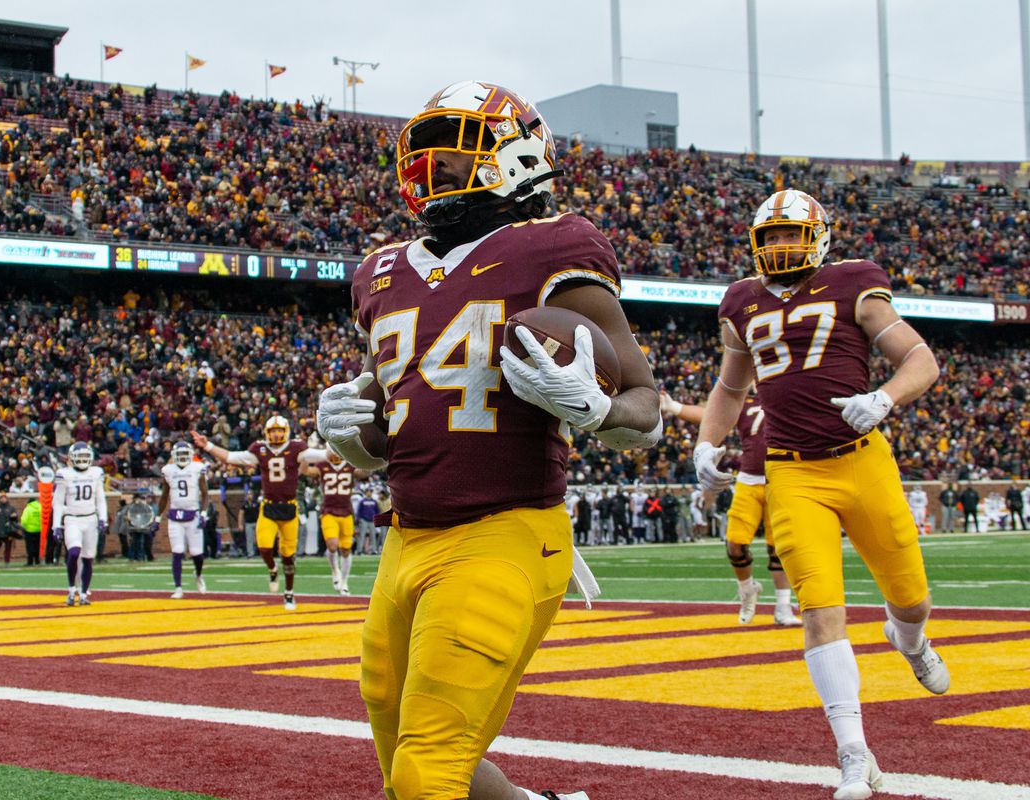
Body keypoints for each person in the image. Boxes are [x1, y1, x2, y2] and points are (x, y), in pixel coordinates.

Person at [316, 81, 660, 800]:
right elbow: (398, 418)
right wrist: (357, 441)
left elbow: (648, 409)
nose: (433, 170)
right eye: (429, 157)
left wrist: (595, 409)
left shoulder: (555, 247)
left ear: (521, 156)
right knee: (417, 757)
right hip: (408, 539)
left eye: (455, 153)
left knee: (424, 771)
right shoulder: (380, 271)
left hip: (505, 532)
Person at [694, 189, 947, 799]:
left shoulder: (855, 282)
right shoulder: (741, 301)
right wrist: (707, 443)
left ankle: (907, 639)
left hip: (862, 464)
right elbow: (730, 389)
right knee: (819, 611)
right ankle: (854, 754)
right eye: (771, 235)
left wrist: (884, 398)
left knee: (911, 599)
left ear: (819, 236)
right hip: (792, 472)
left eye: (791, 233)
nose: (781, 245)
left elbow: (920, 358)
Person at [662, 391, 801, 626]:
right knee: (735, 544)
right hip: (749, 480)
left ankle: (783, 607)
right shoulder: (744, 399)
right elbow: (712, 415)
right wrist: (675, 407)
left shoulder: (786, 391)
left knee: (778, 548)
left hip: (781, 478)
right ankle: (748, 591)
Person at [193, 417, 327, 610]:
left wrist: (340, 444)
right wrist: (208, 446)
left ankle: (289, 593)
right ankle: (272, 570)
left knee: (288, 556)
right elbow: (231, 457)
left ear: (286, 431)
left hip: (289, 508)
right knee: (264, 548)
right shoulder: (260, 449)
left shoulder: (297, 448)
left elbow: (321, 455)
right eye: (273, 430)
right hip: (269, 507)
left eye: (280, 430)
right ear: (267, 432)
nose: (277, 434)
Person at [52, 442, 108, 606]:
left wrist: (103, 518)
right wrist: (56, 526)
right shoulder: (64, 474)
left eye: (85, 457)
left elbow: (100, 499)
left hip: (90, 519)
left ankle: (83, 593)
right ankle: (71, 590)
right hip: (72, 519)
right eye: (80, 456)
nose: (83, 460)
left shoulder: (96, 473)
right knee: (74, 552)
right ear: (71, 458)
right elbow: (57, 502)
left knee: (89, 558)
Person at [305, 450, 364, 595]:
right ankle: (335, 570)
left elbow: (365, 473)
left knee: (346, 549)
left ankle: (344, 582)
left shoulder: (350, 465)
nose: (336, 455)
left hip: (346, 512)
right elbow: (305, 470)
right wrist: (305, 455)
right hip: (329, 511)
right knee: (332, 546)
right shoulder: (322, 465)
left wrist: (366, 457)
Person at [158, 441, 209, 599]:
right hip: (175, 516)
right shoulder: (168, 470)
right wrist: (157, 517)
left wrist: (203, 513)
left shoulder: (197, 468)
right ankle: (178, 587)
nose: (182, 458)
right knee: (177, 551)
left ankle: (198, 575)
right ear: (174, 456)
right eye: (179, 455)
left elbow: (205, 493)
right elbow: (164, 495)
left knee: (197, 554)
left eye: (184, 455)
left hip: (193, 514)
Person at [0, 493, 19, 565]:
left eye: (4, 498)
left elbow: (16, 519)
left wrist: (14, 516)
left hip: (8, 531)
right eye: (1, 498)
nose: (3, 499)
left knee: (8, 547)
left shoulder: (11, 508)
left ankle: (7, 561)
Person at [356, 489, 380, 555]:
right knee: (362, 535)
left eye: (370, 492)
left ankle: (374, 550)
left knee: (373, 536)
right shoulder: (362, 501)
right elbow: (359, 511)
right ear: (365, 493)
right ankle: (359, 550)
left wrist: (377, 519)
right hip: (364, 520)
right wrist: (359, 519)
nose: (369, 493)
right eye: (368, 492)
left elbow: (377, 511)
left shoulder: (374, 501)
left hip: (372, 520)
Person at [21, 497, 43, 567]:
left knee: (30, 546)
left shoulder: (28, 509)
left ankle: (30, 561)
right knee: (37, 546)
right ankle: (37, 560)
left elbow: (24, 520)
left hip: (29, 530)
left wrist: (24, 527)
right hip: (39, 530)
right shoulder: (40, 508)